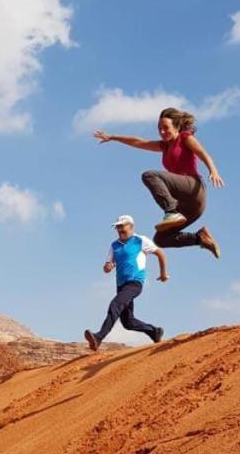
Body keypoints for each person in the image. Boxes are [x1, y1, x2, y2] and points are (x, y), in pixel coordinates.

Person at [93, 107, 224, 257]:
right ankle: (200, 238)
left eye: (166, 128)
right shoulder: (164, 146)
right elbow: (138, 142)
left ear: (177, 127)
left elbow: (202, 153)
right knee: (161, 239)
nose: (162, 132)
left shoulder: (185, 138)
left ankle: (170, 211)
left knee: (150, 175)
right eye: (159, 129)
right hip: (189, 207)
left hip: (194, 189)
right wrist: (113, 137)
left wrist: (213, 170)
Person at [84, 215, 168, 352]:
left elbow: (160, 253)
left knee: (115, 305)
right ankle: (154, 331)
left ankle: (98, 337)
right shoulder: (114, 245)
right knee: (128, 322)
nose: (119, 229)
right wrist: (108, 267)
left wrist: (163, 274)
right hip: (121, 285)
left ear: (131, 226)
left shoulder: (140, 240)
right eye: (117, 227)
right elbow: (106, 266)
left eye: (122, 226)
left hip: (135, 283)